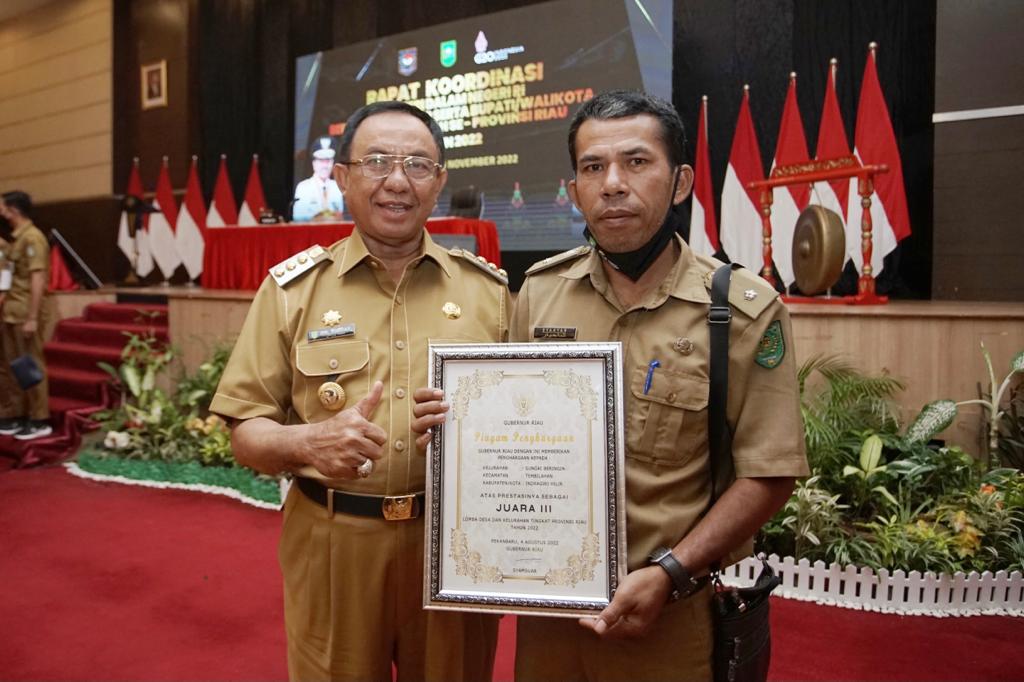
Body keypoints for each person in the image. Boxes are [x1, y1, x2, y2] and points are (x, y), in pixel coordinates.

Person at [413, 90, 809, 681]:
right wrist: (453, 435)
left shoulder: (741, 311)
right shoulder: (541, 293)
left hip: (668, 612)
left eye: (636, 162)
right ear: (574, 191)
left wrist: (672, 572)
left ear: (680, 182)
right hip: (548, 613)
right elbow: (510, 436)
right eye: (593, 168)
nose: (613, 184)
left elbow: (769, 473)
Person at [210, 101, 509, 682]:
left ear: (439, 182)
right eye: (377, 162)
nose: (397, 181)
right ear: (343, 178)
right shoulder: (292, 292)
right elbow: (245, 433)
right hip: (333, 546)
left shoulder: (488, 294)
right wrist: (308, 442)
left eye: (418, 165)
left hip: (455, 545)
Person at [0, 190, 53, 441]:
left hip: (25, 311)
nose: (1, 211)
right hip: (11, 311)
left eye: (3, 207)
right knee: (13, 366)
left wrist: (33, 317)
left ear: (14, 210)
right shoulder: (16, 239)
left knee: (31, 365)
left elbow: (37, 278)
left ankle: (39, 418)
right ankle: (17, 413)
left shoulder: (33, 238)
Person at [292, 136, 345, 222]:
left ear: (332, 162)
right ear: (314, 163)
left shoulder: (338, 187)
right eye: (321, 160)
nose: (325, 165)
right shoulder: (303, 188)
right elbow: (298, 220)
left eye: (328, 160)